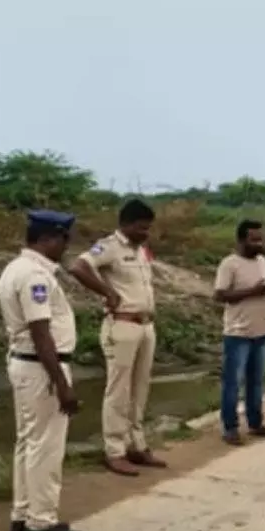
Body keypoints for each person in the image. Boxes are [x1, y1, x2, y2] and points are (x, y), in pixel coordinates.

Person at [0, 210, 84, 531]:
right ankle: (41, 519)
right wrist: (62, 383)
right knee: (45, 446)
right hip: (42, 365)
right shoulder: (34, 276)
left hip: (27, 364)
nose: (65, 246)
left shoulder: (15, 269)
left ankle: (22, 513)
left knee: (28, 442)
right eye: (63, 240)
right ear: (47, 238)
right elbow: (41, 332)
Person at [69, 199, 167, 477]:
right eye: (141, 227)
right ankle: (115, 450)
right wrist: (106, 292)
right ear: (125, 224)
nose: (145, 233)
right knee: (118, 391)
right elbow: (79, 266)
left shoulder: (141, 250)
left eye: (148, 228)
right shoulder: (109, 247)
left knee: (140, 389)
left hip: (146, 325)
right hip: (122, 325)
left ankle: (137, 444)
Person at [213, 220, 265, 445]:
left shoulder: (263, 261)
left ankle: (255, 423)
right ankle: (230, 427)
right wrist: (254, 291)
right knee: (233, 382)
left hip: (261, 330)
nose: (259, 243)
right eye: (254, 239)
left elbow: (263, 295)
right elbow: (220, 295)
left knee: (256, 382)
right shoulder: (229, 264)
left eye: (260, 238)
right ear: (242, 240)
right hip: (238, 333)